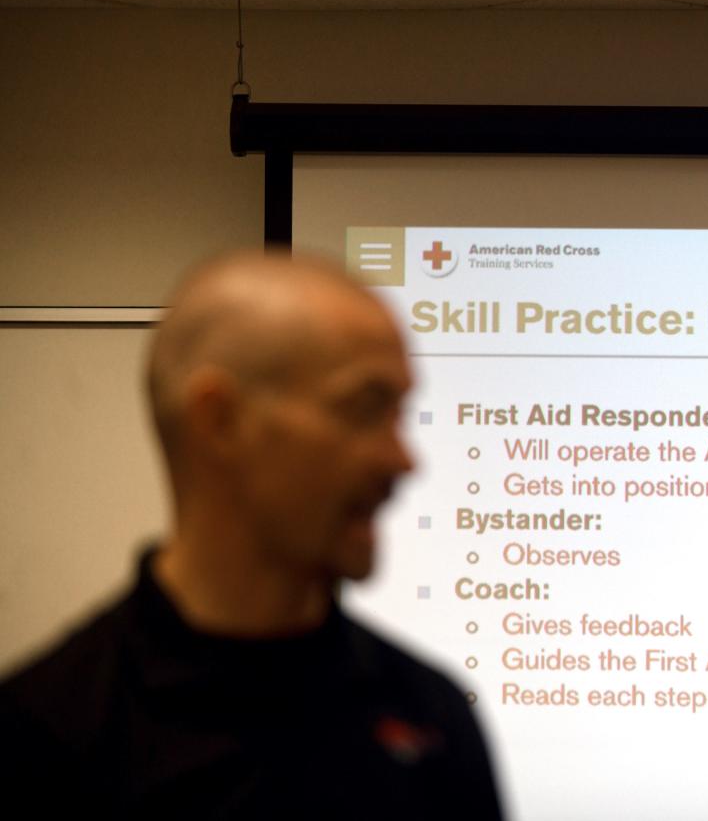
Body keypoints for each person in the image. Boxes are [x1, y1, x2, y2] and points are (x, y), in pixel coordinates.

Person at [0, 251, 504, 819]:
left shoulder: (429, 715)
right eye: (364, 410)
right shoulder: (44, 738)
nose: (403, 460)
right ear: (220, 421)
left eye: (400, 416)